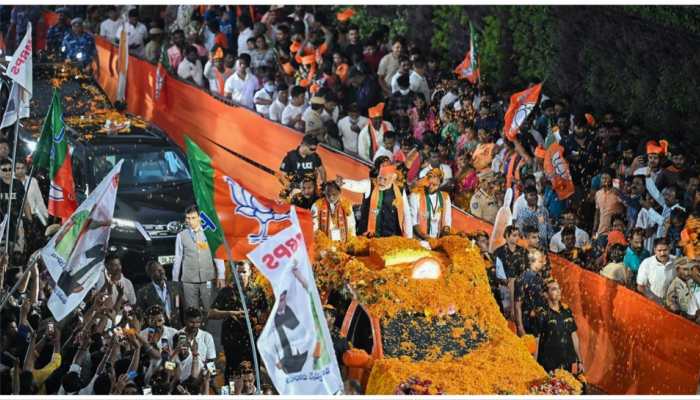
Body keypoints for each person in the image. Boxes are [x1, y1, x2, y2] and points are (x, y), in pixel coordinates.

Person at [210, 262, 268, 377]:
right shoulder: (226, 291)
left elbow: (265, 311)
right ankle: (233, 394)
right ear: (234, 273)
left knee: (253, 370)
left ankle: (254, 393)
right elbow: (211, 313)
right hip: (232, 339)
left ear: (250, 272)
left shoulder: (258, 290)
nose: (241, 275)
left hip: (252, 339)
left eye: (244, 272)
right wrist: (229, 313)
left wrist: (260, 326)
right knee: (232, 372)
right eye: (239, 272)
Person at [172, 205, 224, 318]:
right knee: (191, 311)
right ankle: (194, 334)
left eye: (193, 217)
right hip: (188, 280)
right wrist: (175, 280)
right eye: (188, 218)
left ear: (200, 218)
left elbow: (217, 254)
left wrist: (221, 275)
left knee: (207, 309)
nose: (190, 221)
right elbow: (178, 258)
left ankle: (204, 332)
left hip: (207, 279)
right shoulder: (181, 236)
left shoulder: (209, 234)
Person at [343, 163, 412, 238]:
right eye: (380, 178)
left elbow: (407, 214)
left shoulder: (400, 190)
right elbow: (355, 185)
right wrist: (341, 183)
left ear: (393, 178)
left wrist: (409, 237)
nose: (381, 182)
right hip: (368, 238)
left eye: (385, 179)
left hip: (391, 239)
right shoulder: (370, 184)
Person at [535, 278, 583, 373]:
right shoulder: (542, 313)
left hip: (566, 363)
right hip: (548, 364)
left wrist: (580, 360)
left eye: (558, 288)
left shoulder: (567, 311)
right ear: (545, 294)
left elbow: (574, 336)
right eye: (553, 289)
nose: (558, 291)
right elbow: (537, 340)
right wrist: (534, 364)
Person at [494, 226, 529, 319]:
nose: (517, 238)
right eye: (514, 235)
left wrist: (518, 281)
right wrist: (507, 282)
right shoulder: (499, 252)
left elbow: (527, 270)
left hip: (521, 284)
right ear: (507, 236)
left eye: (518, 235)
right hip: (504, 286)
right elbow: (498, 273)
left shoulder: (523, 252)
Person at [136, 260, 183, 329]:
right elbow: (140, 316)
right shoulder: (143, 293)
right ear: (150, 274)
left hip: (177, 329)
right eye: (157, 270)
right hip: (157, 332)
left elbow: (182, 308)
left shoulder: (176, 287)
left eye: (161, 268)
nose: (161, 271)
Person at [410, 168, 452, 240]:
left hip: (437, 239)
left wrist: (445, 234)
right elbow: (413, 222)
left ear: (440, 183)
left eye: (434, 184)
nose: (431, 187)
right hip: (420, 240)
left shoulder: (445, 197)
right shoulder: (416, 195)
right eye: (429, 183)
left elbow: (447, 220)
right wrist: (425, 237)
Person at [515, 248, 547, 336]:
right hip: (528, 324)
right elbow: (517, 305)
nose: (543, 263)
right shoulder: (522, 279)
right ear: (532, 262)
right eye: (540, 261)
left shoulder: (539, 278)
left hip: (540, 322)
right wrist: (520, 327)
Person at [636, 237, 676, 304]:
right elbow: (640, 287)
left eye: (665, 250)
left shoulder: (676, 261)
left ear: (669, 248)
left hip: (671, 304)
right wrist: (655, 299)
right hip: (651, 303)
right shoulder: (647, 263)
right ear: (654, 250)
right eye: (659, 250)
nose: (662, 253)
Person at [594, 170, 624, 237]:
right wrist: (594, 230)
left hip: (616, 232)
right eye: (602, 178)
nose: (604, 180)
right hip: (601, 232)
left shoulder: (617, 193)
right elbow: (597, 213)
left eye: (606, 178)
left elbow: (626, 206)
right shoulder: (598, 194)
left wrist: (619, 193)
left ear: (611, 179)